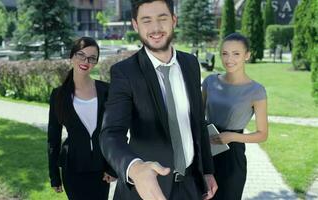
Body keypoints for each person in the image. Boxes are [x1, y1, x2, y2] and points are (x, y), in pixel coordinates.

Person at [99, 0, 217, 200]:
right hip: (147, 189)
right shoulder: (125, 73)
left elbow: (197, 121)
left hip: (190, 185)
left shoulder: (190, 64)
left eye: (162, 18)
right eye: (146, 21)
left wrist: (207, 170)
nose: (155, 28)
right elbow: (111, 134)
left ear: (173, 20)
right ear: (135, 25)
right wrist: (134, 169)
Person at [47, 37, 116, 200]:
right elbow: (53, 138)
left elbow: (116, 131)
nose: (86, 61)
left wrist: (113, 166)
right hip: (72, 167)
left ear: (96, 62)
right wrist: (54, 175)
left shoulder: (106, 90)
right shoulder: (59, 95)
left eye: (92, 58)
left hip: (101, 168)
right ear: (71, 57)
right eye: (81, 55)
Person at [202, 33, 268, 200]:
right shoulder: (210, 81)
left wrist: (231, 136)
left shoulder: (256, 91)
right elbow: (196, 116)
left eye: (236, 53)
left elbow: (262, 134)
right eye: (225, 53)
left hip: (233, 157)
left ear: (247, 55)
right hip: (205, 151)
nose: (229, 59)